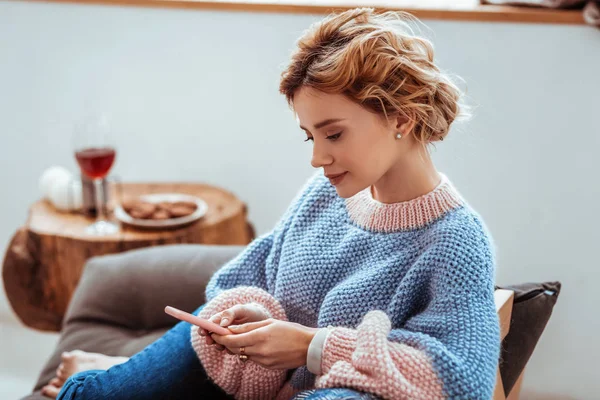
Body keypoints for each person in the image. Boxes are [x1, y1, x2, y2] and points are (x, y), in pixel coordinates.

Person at [43, 7, 500, 400]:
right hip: (236, 366)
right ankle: (102, 368)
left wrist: (312, 347)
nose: (317, 157)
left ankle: (106, 364)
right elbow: (243, 279)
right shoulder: (324, 193)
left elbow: (464, 382)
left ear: (401, 116)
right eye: (311, 135)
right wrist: (259, 319)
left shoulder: (456, 241)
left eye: (334, 133)